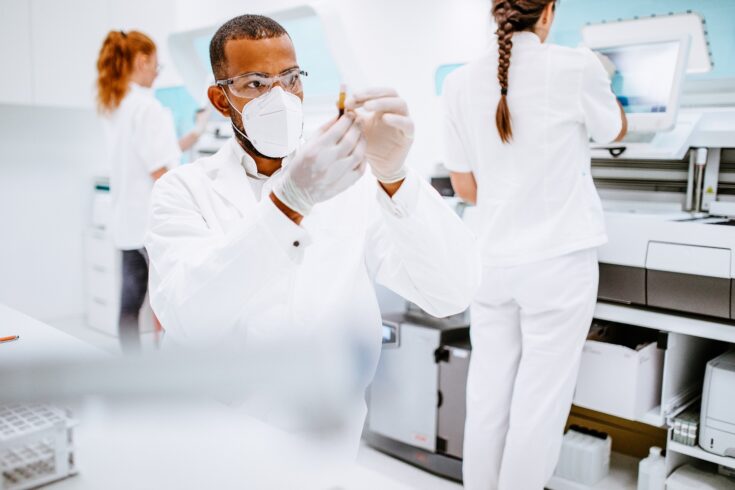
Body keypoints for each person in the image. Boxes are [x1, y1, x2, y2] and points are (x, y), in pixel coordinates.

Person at [144, 14, 480, 453]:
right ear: (221, 99)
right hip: (215, 444)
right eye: (255, 84)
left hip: (325, 446)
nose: (279, 98)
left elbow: (450, 292)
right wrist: (289, 205)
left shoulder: (350, 185)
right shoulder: (183, 191)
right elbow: (189, 319)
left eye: (290, 79)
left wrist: (395, 176)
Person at [442, 1, 627, 488]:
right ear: (547, 12)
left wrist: (510, 193)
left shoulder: (458, 82)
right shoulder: (576, 65)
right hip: (558, 265)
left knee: (488, 396)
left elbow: (465, 188)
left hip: (492, 262)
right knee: (538, 405)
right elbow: (615, 130)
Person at [96, 30, 209, 352]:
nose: (156, 75)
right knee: (167, 304)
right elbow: (161, 170)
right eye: (157, 68)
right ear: (142, 61)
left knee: (130, 303)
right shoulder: (148, 107)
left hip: (127, 221)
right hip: (151, 223)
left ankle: (132, 375)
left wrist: (195, 135)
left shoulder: (116, 105)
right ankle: (165, 377)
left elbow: (154, 154)